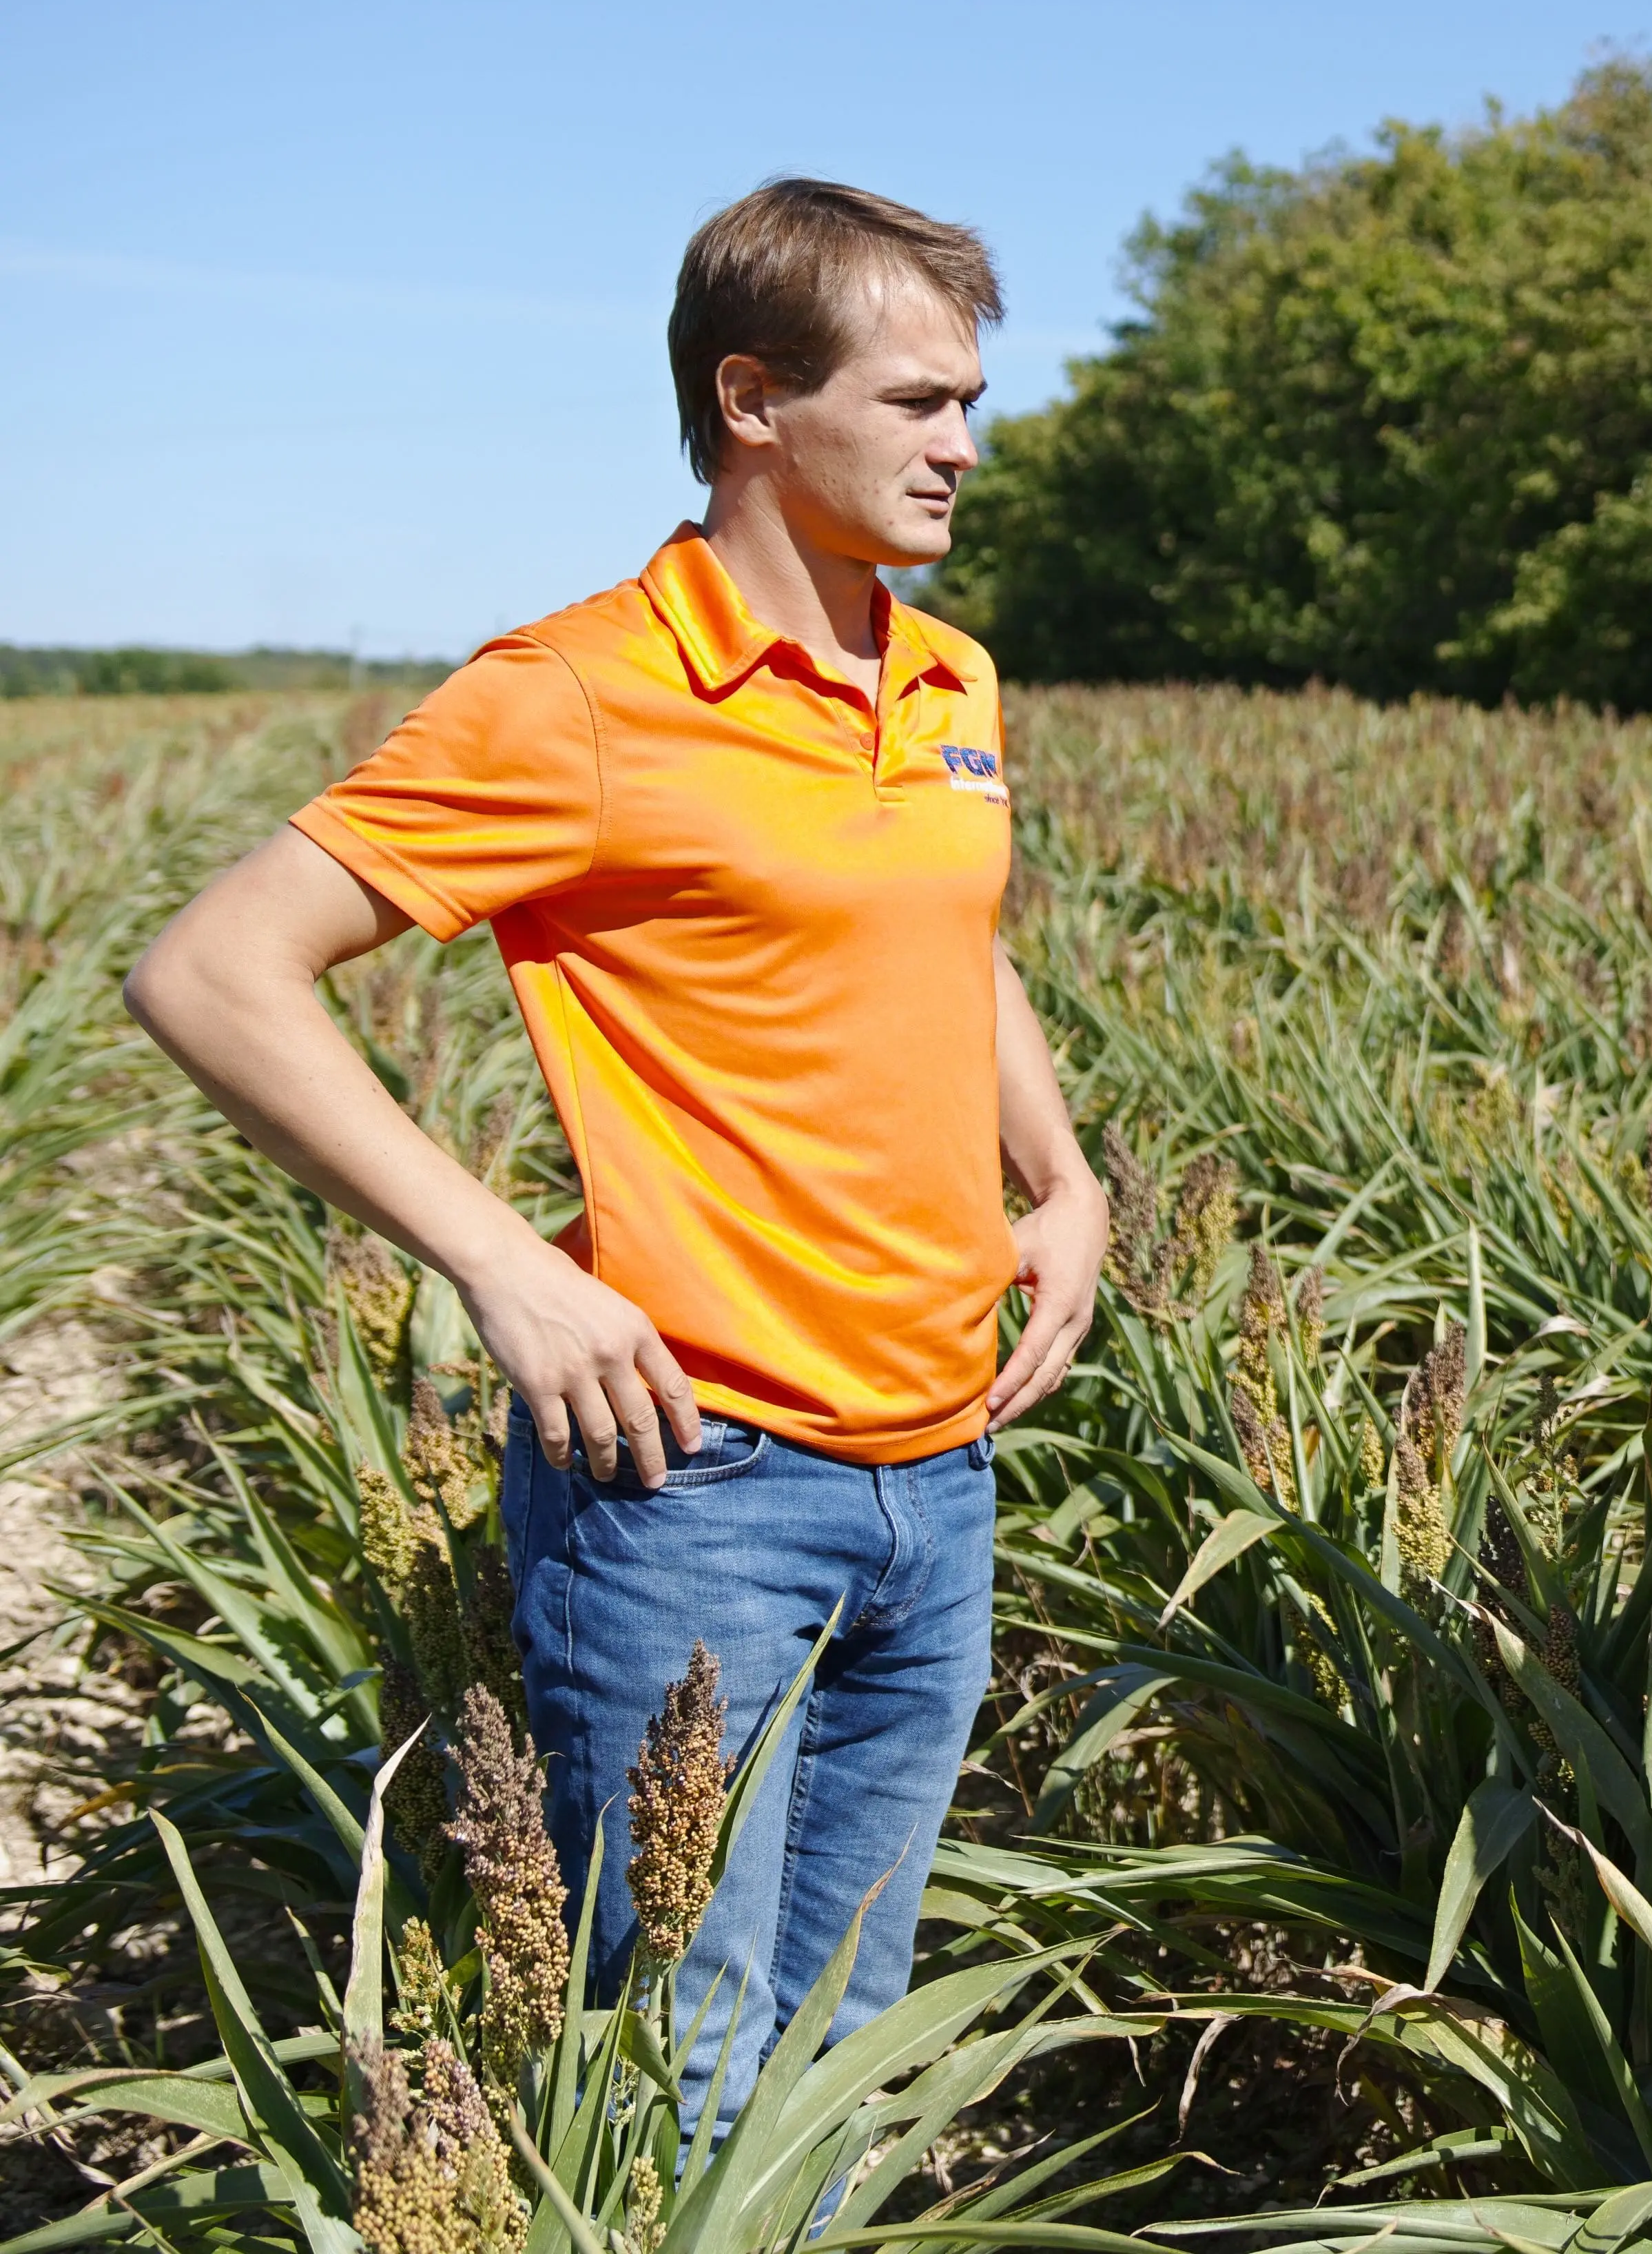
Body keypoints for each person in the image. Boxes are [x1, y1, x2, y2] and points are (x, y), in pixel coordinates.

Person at [124, 178, 1106, 2119]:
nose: (964, 445)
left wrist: (1063, 1177)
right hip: (699, 1484)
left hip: (947, 1462)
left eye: (969, 399)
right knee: (679, 2059)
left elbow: (948, 932)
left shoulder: (947, 679)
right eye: (915, 401)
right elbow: (213, 971)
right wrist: (503, 1264)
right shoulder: (579, 696)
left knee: (842, 2048)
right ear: (754, 398)